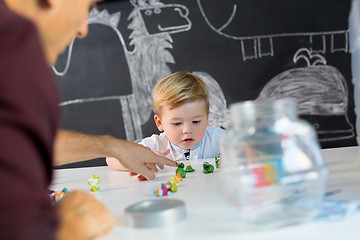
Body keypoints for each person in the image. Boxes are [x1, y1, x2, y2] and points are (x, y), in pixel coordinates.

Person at [0, 0, 176, 239]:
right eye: (86, 7)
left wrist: (112, 146)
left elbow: (16, 146)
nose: (83, 29)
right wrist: (68, 230)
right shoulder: (16, 47)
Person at [106, 72, 225, 172]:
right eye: (177, 123)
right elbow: (112, 158)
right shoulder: (156, 145)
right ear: (160, 123)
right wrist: (141, 159)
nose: (187, 130)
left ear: (207, 118)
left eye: (196, 121)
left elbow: (242, 146)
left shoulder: (219, 139)